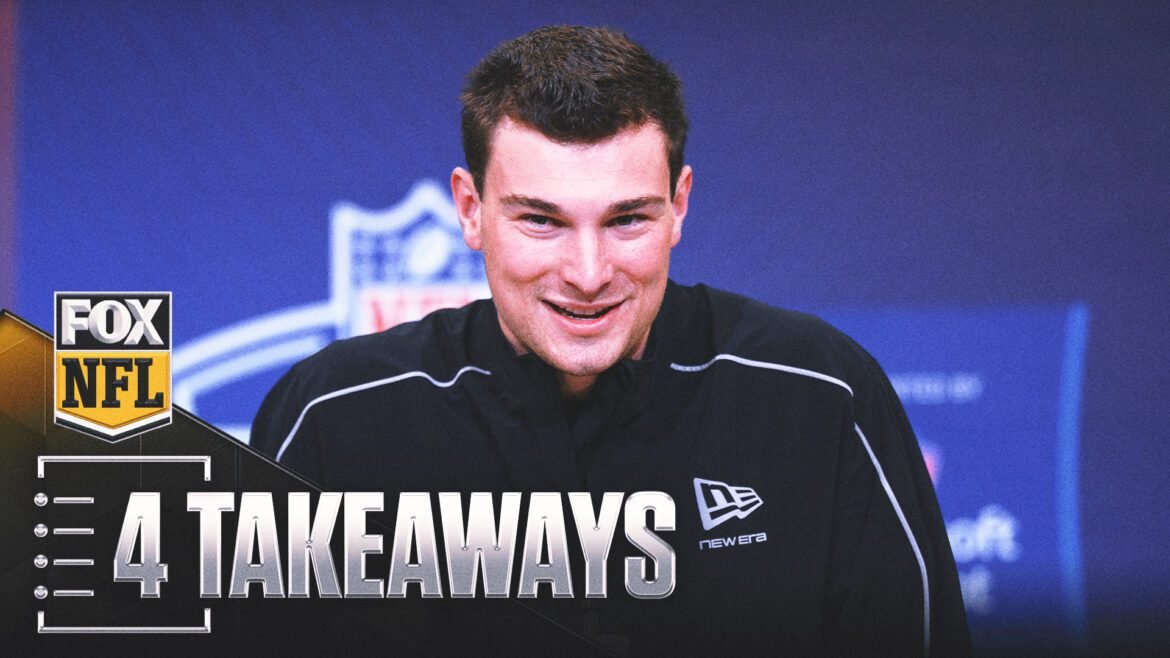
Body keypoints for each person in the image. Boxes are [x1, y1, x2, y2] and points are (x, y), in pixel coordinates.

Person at [252, 25, 971, 656]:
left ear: (679, 205)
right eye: (541, 221)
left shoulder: (819, 395)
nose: (589, 274)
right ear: (470, 211)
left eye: (627, 220)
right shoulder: (335, 417)